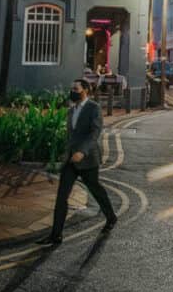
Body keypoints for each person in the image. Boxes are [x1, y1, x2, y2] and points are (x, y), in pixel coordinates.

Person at [39, 78, 117, 246]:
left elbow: (95, 132)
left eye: (76, 88)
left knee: (95, 189)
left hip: (87, 159)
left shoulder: (93, 108)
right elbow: (70, 136)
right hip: (70, 160)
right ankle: (56, 235)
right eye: (72, 88)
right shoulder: (71, 110)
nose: (72, 91)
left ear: (85, 90)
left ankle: (111, 217)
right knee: (61, 197)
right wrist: (65, 154)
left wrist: (83, 151)